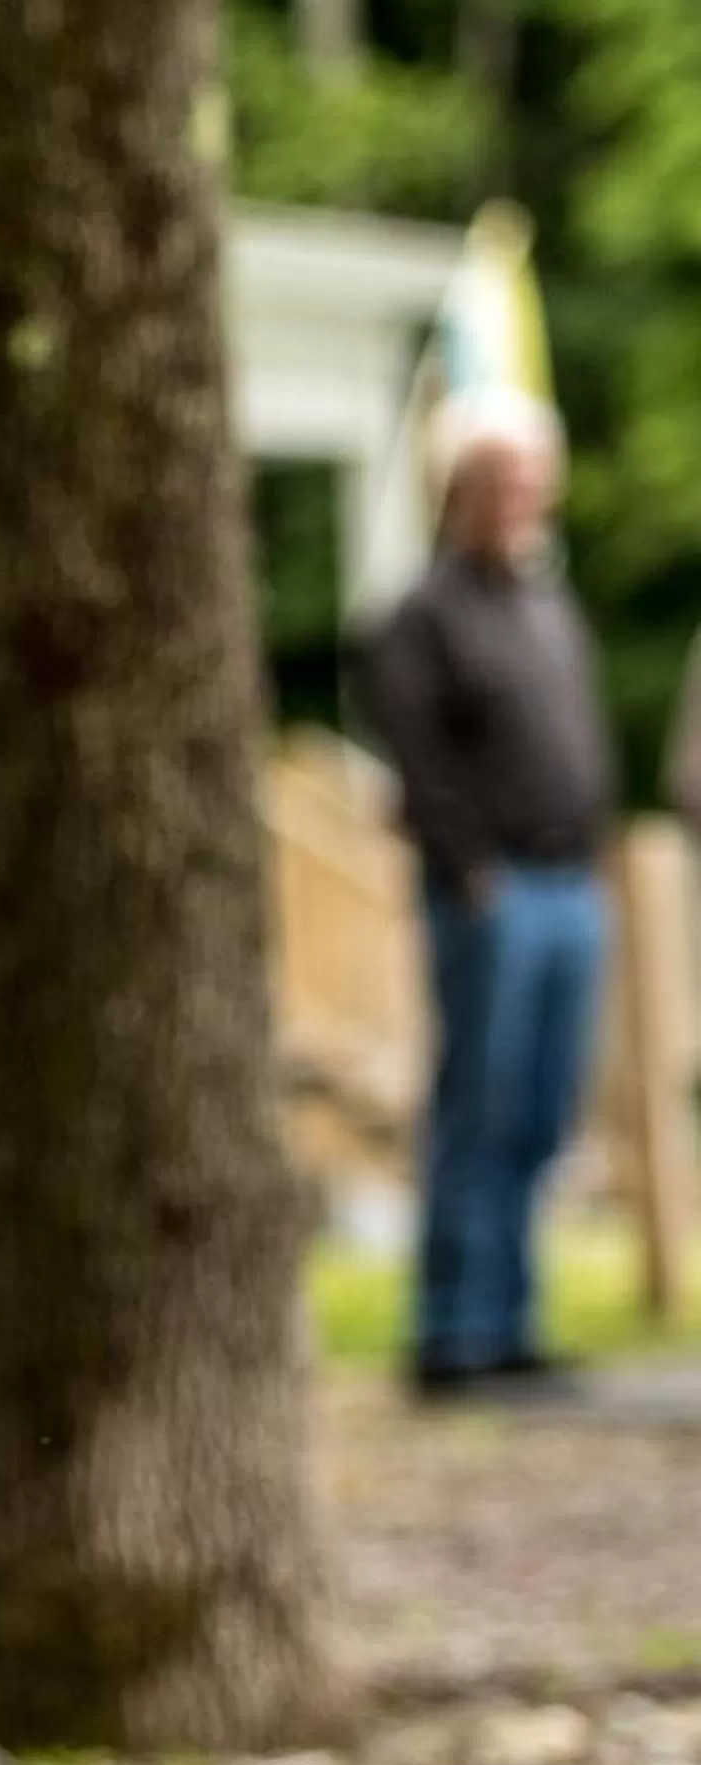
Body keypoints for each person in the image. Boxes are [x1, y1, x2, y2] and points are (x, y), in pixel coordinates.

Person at [360, 385, 614, 1400]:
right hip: (491, 893)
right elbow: (418, 762)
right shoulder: (421, 616)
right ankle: (452, 1328)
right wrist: (472, 870)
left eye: (529, 481)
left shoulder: (547, 604)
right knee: (480, 1102)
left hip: (571, 884)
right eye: (497, 480)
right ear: (456, 489)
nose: (517, 498)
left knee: (543, 1113)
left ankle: (510, 1319)